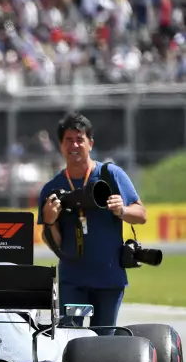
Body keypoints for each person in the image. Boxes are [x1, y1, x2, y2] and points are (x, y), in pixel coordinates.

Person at [37, 113, 147, 329]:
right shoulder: (51, 188)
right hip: (73, 281)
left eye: (80, 139)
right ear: (61, 145)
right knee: (69, 337)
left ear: (91, 143)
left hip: (109, 278)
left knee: (103, 340)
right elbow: (54, 242)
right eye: (69, 140)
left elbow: (141, 215)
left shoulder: (110, 174)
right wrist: (50, 222)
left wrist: (122, 210)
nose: (74, 145)